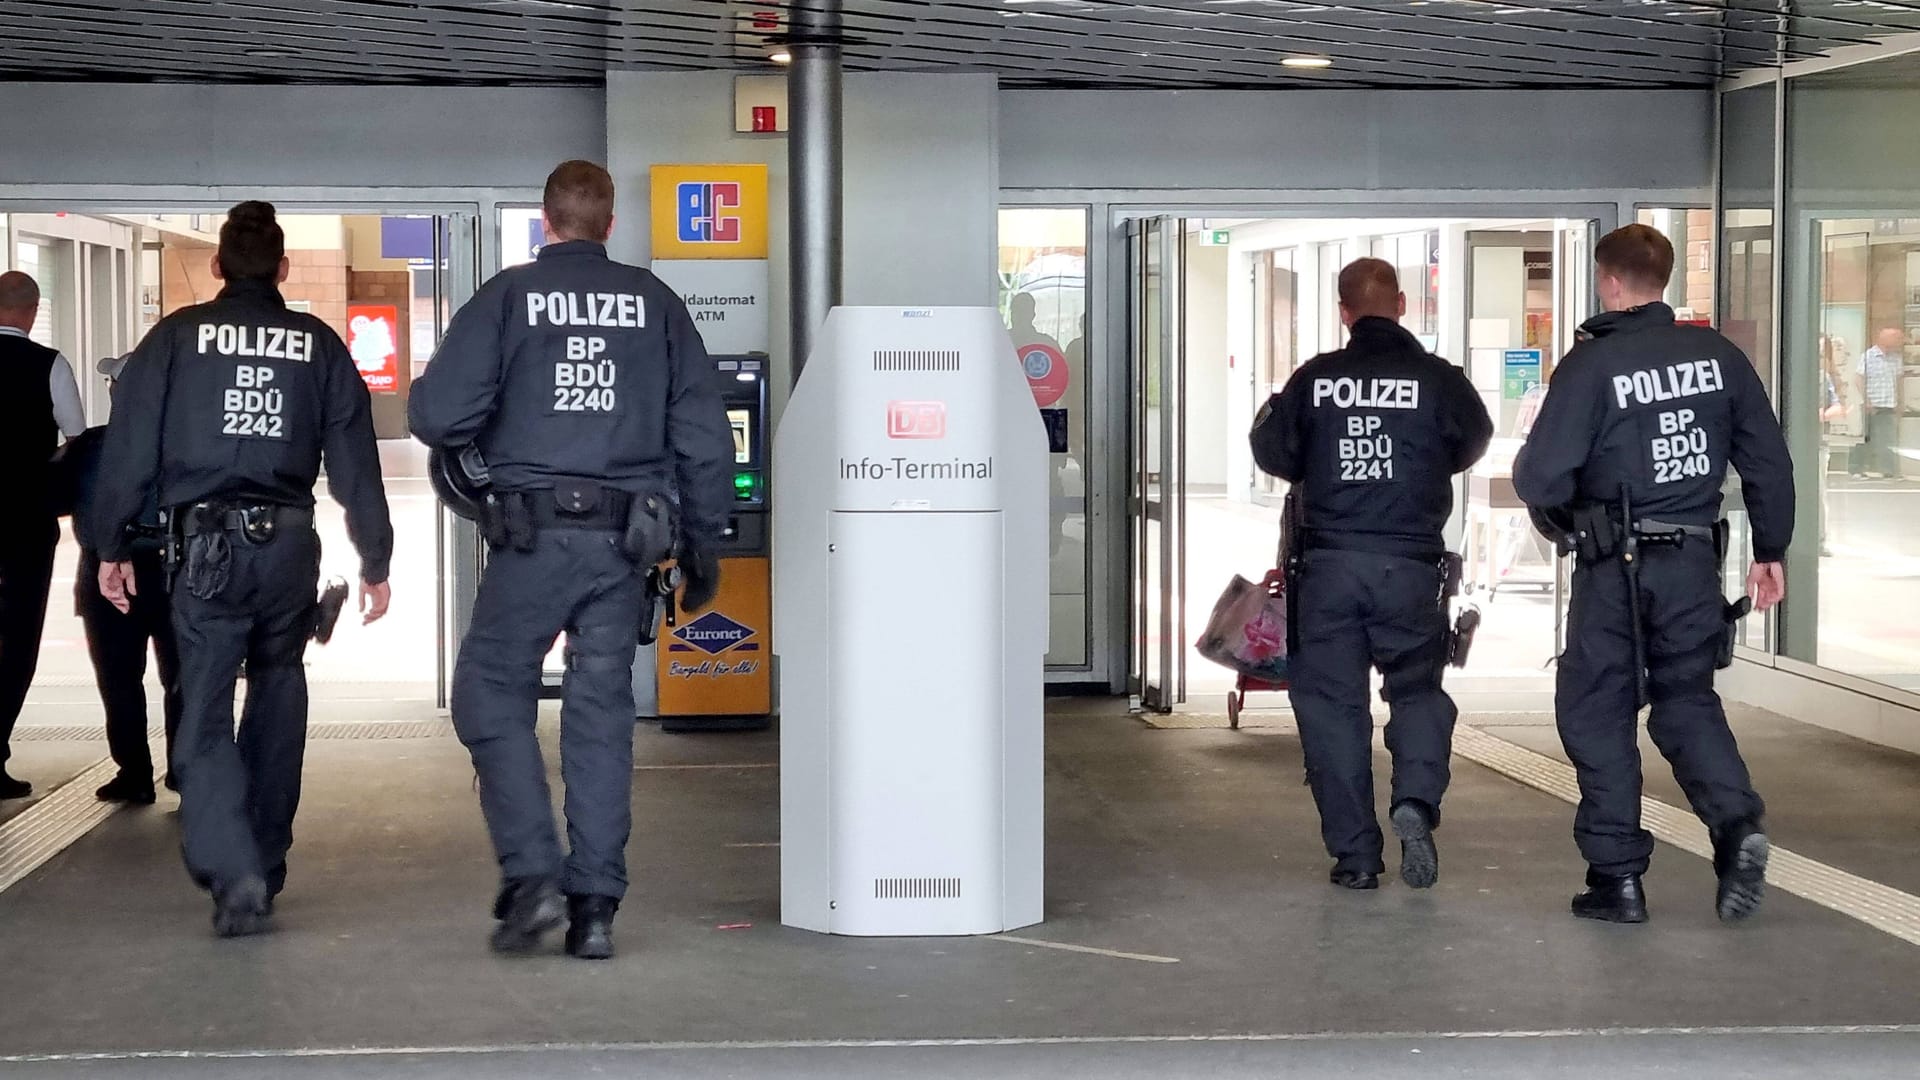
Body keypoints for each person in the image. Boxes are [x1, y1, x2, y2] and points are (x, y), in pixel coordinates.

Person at [409, 161, 733, 960]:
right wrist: (705, 540)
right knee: (600, 713)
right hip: (626, 544)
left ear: (544, 222)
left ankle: (533, 875)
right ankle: (594, 906)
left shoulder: (509, 298)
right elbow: (700, 428)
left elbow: (437, 413)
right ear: (610, 224)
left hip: (532, 536)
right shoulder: (655, 303)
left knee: (488, 691)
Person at [90, 201, 394, 937]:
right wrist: (376, 559)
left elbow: (130, 451)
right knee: (280, 699)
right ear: (283, 269)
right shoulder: (317, 345)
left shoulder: (173, 340)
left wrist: (108, 545)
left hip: (206, 553)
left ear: (219, 266)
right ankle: (266, 857)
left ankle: (234, 874)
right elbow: (355, 460)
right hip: (289, 548)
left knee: (205, 709)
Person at [1513, 224, 1793, 925]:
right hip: (1694, 563)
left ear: (1609, 281)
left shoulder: (1593, 365)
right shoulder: (1720, 358)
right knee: (1686, 701)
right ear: (1663, 279)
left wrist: (1567, 518)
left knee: (1599, 709)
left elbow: (1541, 474)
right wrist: (1771, 550)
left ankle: (1618, 880)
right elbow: (1767, 460)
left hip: (1615, 568)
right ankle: (1736, 828)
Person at [1249, 257, 1493, 891]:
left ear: (1343, 311)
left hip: (1328, 569)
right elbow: (1474, 439)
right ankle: (1414, 799)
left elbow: (1275, 452)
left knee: (1332, 710)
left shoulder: (1316, 379)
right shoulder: (1439, 380)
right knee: (1416, 691)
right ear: (1404, 304)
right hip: (1411, 568)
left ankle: (1356, 857)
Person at [59, 356, 183, 805]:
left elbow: (57, 496)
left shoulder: (91, 446)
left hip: (106, 568)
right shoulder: (186, 446)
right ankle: (184, 771)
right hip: (175, 566)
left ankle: (134, 772)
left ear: (116, 393)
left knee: (118, 677)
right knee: (183, 675)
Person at [0, 270, 87, 800]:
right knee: (16, 640)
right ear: (32, 311)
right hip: (25, 524)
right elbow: (75, 437)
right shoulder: (49, 364)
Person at [1850, 327, 1905, 480]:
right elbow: (1859, 378)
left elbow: (1899, 381)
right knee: (1864, 437)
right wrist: (1866, 400)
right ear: (1885, 339)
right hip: (1870, 404)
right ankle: (1856, 468)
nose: (1899, 342)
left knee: (1888, 439)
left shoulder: (1896, 358)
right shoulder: (1868, 356)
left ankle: (1889, 470)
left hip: (1888, 404)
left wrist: (1900, 402)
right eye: (1897, 339)